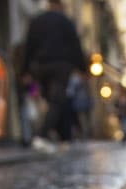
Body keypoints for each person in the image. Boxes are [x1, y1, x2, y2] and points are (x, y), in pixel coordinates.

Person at [21, 0, 88, 150]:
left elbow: (28, 46)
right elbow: (76, 45)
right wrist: (82, 69)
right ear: (59, 5)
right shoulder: (66, 22)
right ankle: (42, 135)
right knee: (57, 101)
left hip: (40, 66)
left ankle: (59, 135)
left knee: (50, 99)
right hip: (61, 66)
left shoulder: (37, 21)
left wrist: (25, 71)